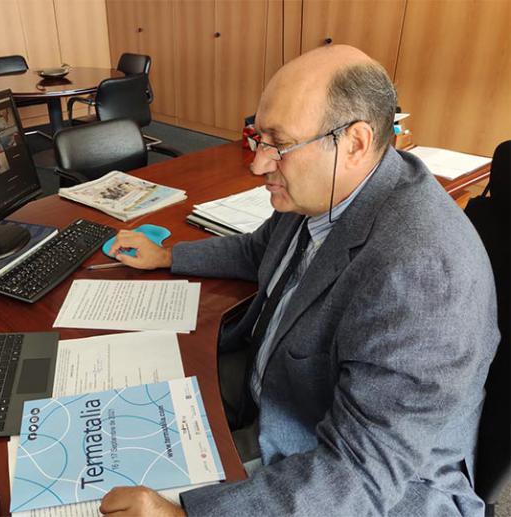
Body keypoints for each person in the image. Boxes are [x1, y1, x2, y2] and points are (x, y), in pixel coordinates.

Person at [100, 45, 499, 516]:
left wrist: (185, 515)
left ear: (354, 141)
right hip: (277, 392)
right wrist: (168, 255)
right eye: (257, 136)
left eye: (279, 145)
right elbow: (257, 249)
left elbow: (359, 471)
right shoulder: (322, 191)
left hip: (350, 477)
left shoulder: (421, 273)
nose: (257, 164)